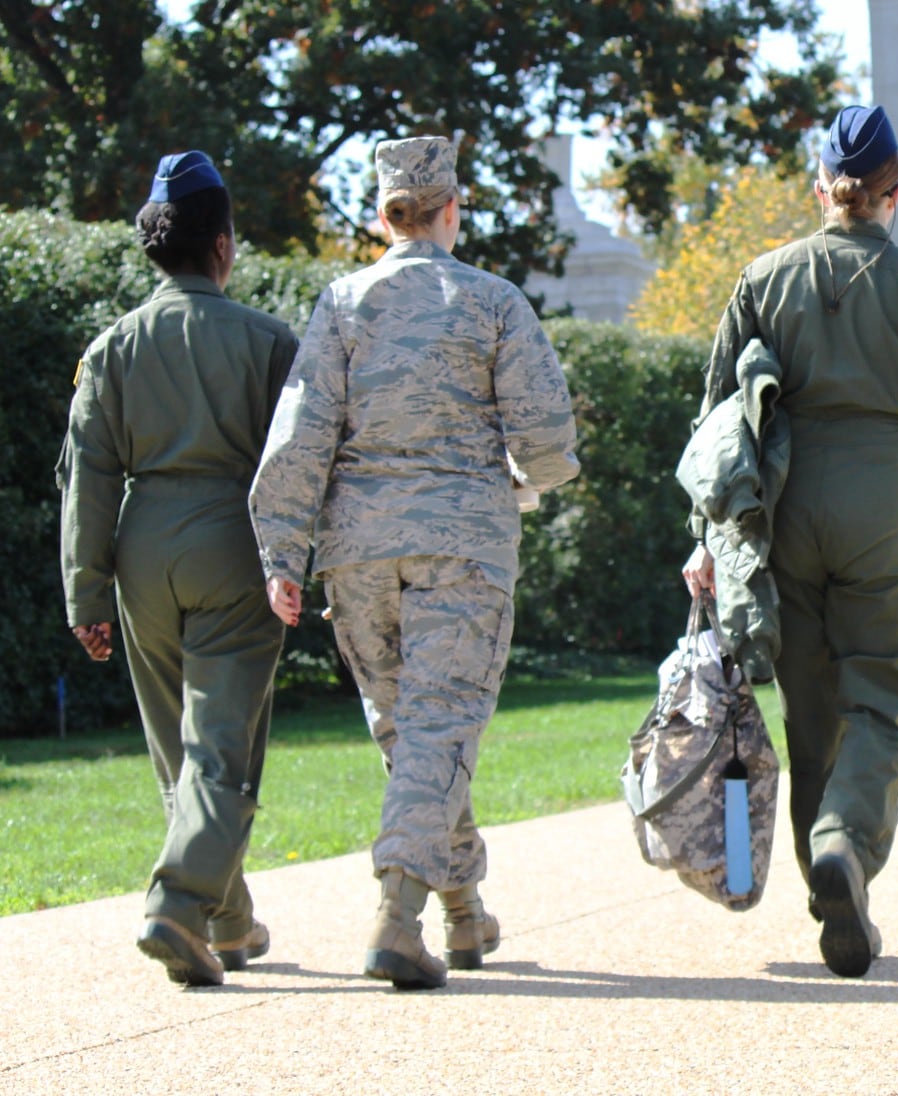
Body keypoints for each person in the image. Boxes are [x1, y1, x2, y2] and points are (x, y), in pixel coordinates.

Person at [681, 105, 898, 980]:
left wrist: (707, 537)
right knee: (884, 694)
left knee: (811, 709)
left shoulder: (761, 278)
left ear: (823, 189)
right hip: (884, 502)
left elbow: (718, 425)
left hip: (784, 508)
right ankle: (845, 848)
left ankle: (827, 887)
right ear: (896, 193)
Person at [249, 136, 582, 990]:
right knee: (440, 724)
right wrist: (525, 481)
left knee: (418, 730)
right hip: (462, 546)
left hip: (356, 555)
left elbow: (300, 436)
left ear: (382, 214)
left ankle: (464, 914)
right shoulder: (494, 302)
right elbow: (547, 439)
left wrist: (283, 550)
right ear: (451, 211)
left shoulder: (340, 302)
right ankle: (397, 915)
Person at [58, 151, 298, 987]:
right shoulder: (270, 342)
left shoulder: (111, 347)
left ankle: (228, 922)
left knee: (180, 756)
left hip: (140, 548)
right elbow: (302, 465)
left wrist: (86, 592)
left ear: (152, 250)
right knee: (221, 752)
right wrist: (314, 569)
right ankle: (177, 904)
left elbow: (84, 472)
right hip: (236, 541)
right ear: (224, 247)